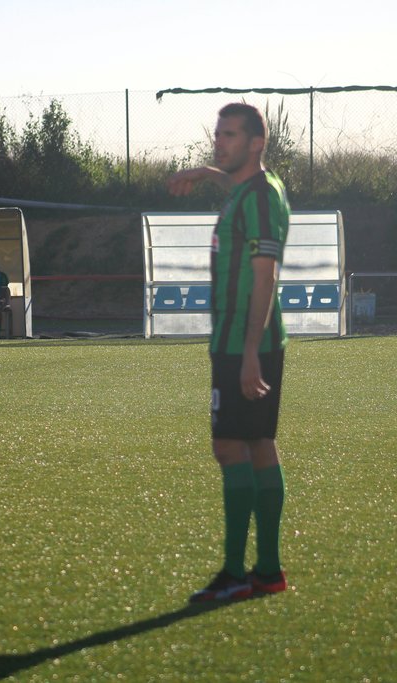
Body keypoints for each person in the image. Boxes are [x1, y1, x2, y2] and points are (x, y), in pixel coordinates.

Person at [166, 102, 290, 602]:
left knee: (230, 447)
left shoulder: (259, 196)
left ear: (256, 143)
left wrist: (250, 352)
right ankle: (267, 571)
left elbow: (266, 274)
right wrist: (205, 173)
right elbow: (234, 182)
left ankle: (237, 573)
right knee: (257, 444)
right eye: (218, 134)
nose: (220, 142)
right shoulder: (252, 187)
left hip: (245, 343)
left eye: (230, 135)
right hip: (241, 342)